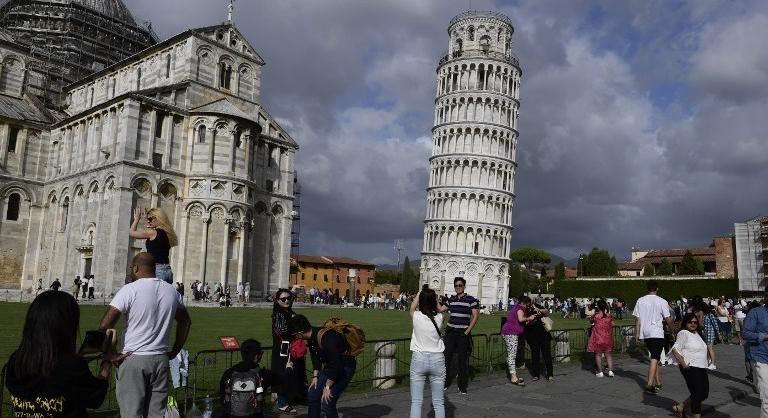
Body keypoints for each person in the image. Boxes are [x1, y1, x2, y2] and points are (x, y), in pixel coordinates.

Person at [99, 252, 192, 418]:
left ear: (135, 268)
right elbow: (185, 322)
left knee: (131, 413)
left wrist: (110, 354)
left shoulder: (130, 290)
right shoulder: (171, 291)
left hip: (133, 358)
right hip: (161, 359)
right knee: (156, 414)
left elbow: (106, 324)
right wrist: (176, 350)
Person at [5, 291, 126, 416]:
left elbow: (48, 379)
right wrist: (107, 361)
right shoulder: (70, 366)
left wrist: (82, 354)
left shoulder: (16, 360)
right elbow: (95, 397)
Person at [289, 314, 356, 418]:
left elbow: (336, 365)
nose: (294, 337)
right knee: (313, 394)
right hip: (331, 367)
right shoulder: (311, 337)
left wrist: (328, 387)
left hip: (345, 367)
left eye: (294, 335)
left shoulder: (327, 338)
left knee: (327, 401)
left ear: (299, 333)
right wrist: (315, 376)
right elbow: (316, 356)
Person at [409, 285, 448, 418]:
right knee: (438, 403)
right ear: (433, 301)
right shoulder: (440, 317)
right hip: (437, 359)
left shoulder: (416, 316)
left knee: (416, 402)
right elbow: (438, 308)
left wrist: (420, 293)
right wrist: (433, 298)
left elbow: (412, 308)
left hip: (419, 357)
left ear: (421, 300)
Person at [633, 280, 673, 394]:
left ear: (647, 288)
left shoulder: (640, 300)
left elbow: (638, 319)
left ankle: (658, 382)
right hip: (657, 333)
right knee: (655, 358)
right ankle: (649, 384)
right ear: (657, 289)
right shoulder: (662, 301)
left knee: (654, 358)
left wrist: (637, 333)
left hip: (646, 333)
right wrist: (672, 330)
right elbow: (668, 318)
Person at [219, 339, 277, 418]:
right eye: (261, 353)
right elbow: (282, 378)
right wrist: (289, 369)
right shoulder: (261, 373)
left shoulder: (229, 373)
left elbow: (222, 396)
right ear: (257, 356)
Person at [670, 312, 710, 418]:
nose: (693, 324)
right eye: (690, 322)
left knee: (704, 393)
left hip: (701, 366)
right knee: (697, 393)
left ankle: (681, 407)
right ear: (685, 322)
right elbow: (675, 350)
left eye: (695, 322)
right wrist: (684, 365)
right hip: (690, 366)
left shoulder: (696, 333)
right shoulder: (683, 333)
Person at [443, 277, 479, 394]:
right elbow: (440, 309)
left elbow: (475, 316)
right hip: (451, 332)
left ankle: (462, 386)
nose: (458, 287)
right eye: (456, 286)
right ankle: (445, 382)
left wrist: (467, 331)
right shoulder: (451, 299)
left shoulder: (471, 300)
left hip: (462, 333)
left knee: (462, 360)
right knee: (446, 357)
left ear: (464, 286)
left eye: (460, 285)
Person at [271, 288, 304, 414]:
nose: (286, 301)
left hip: (290, 347)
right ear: (278, 301)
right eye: (283, 299)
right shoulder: (278, 313)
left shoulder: (289, 311)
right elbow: (283, 330)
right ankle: (282, 403)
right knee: (283, 373)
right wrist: (294, 323)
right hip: (282, 349)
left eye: (288, 298)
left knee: (292, 372)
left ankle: (293, 396)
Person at [129, 207, 178, 284]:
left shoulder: (153, 233)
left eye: (150, 219)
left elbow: (132, 233)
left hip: (157, 270)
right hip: (167, 270)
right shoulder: (168, 233)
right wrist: (149, 222)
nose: (149, 221)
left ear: (158, 218)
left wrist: (136, 220)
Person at [742, 295, 768, 418]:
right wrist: (764, 336)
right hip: (762, 357)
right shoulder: (756, 312)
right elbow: (745, 333)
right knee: (766, 396)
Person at [521, 296, 554, 382]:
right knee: (535, 355)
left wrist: (538, 310)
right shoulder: (525, 310)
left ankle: (550, 374)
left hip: (544, 335)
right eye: (528, 302)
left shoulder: (537, 306)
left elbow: (547, 312)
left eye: (531, 301)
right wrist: (532, 319)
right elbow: (526, 322)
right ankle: (536, 374)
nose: (530, 303)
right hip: (532, 336)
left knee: (547, 355)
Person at [501, 295, 526, 386]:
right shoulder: (520, 308)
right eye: (528, 304)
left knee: (510, 354)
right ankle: (513, 376)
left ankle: (512, 373)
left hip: (507, 332)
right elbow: (521, 319)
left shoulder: (515, 307)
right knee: (512, 354)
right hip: (511, 333)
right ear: (524, 303)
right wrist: (528, 318)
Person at [588, 299, 615, 378]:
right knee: (608, 355)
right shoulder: (609, 316)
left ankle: (600, 372)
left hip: (598, 338)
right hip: (607, 338)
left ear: (598, 307)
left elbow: (590, 321)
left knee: (598, 355)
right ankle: (610, 371)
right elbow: (612, 323)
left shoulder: (596, 316)